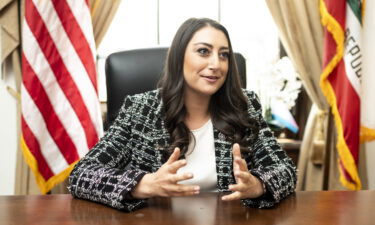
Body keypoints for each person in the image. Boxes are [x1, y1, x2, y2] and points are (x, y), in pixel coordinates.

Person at [68, 17, 297, 212]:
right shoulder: (140, 110)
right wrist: (145, 184)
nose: (216, 64)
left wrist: (257, 185)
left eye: (224, 54)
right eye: (203, 51)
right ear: (179, 58)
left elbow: (286, 171)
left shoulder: (244, 106)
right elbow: (82, 175)